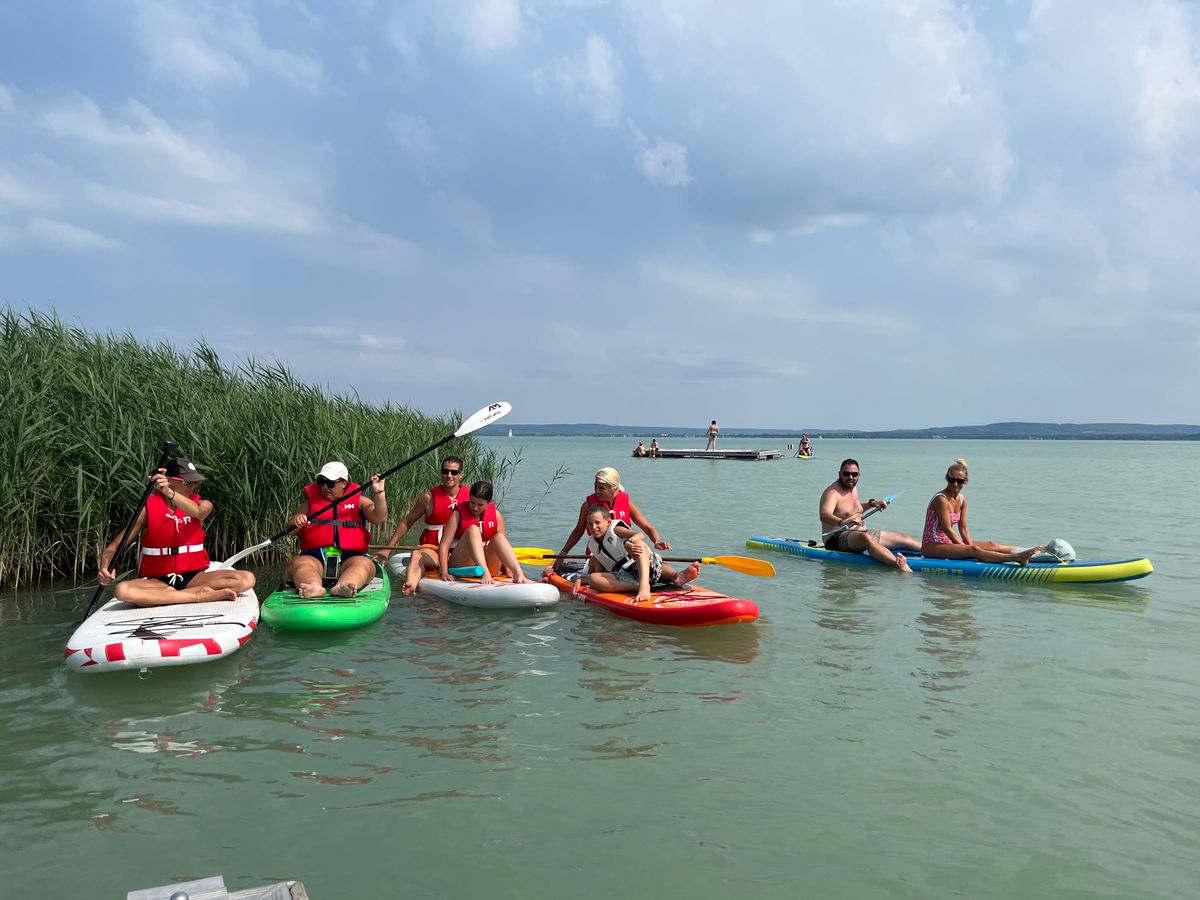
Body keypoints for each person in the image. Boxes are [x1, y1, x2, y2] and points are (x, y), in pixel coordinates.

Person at [97, 458, 256, 606]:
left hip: (194, 578)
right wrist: (105, 567)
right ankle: (198, 596)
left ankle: (171, 596)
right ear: (169, 480)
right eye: (187, 481)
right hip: (156, 581)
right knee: (121, 590)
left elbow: (198, 512)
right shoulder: (146, 510)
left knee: (246, 579)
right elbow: (113, 548)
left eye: (195, 482)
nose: (192, 486)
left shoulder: (203, 503)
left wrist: (169, 493)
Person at [401, 480, 530, 595]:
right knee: (473, 529)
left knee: (499, 537)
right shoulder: (457, 514)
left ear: (488, 503)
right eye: (472, 502)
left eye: (480, 505)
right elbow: (444, 545)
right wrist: (444, 572)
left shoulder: (496, 515)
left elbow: (501, 548)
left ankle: (518, 573)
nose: (475, 507)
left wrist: (507, 571)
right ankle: (484, 571)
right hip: (462, 564)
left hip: (489, 566)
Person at [556, 505, 700, 603]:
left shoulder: (616, 529)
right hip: (626, 578)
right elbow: (600, 574)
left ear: (608, 521)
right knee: (594, 579)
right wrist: (583, 580)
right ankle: (640, 587)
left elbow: (639, 534)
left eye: (597, 523)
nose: (593, 527)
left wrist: (628, 543)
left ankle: (672, 578)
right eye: (589, 524)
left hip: (645, 567)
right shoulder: (592, 545)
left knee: (639, 546)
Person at [286, 461, 388, 598]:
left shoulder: (360, 501)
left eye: (330, 483)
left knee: (364, 564)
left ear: (344, 483)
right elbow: (290, 530)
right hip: (315, 557)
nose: (324, 487)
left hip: (350, 557)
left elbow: (378, 518)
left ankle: (345, 585)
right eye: (321, 482)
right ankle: (313, 586)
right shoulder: (310, 503)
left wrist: (379, 493)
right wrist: (297, 520)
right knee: (300, 563)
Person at [922, 459, 1042, 564]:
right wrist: (966, 549)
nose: (954, 484)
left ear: (965, 481)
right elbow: (947, 529)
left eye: (959, 481)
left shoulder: (962, 500)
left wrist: (967, 546)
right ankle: (1017, 558)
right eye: (951, 480)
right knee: (974, 550)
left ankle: (1038, 552)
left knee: (992, 545)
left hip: (948, 542)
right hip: (932, 545)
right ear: (947, 478)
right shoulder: (941, 499)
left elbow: (963, 529)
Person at [818, 458, 919, 573]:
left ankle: (935, 552)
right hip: (836, 539)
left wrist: (872, 504)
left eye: (854, 474)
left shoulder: (853, 489)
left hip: (859, 534)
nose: (850, 477)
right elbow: (824, 515)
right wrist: (843, 522)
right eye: (846, 474)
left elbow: (856, 509)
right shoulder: (832, 493)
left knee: (903, 538)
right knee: (865, 538)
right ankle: (900, 566)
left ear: (858, 475)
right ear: (840, 474)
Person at [556, 466, 670, 561]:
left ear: (613, 487)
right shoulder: (588, 506)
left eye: (601, 488)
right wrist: (563, 553)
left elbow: (647, 527)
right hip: (598, 555)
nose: (597, 491)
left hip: (623, 552)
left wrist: (657, 541)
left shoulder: (627, 503)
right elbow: (578, 530)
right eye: (595, 486)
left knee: (653, 560)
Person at [373, 456, 470, 564]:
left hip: (459, 551)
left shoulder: (471, 498)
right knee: (417, 556)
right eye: (445, 471)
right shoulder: (427, 498)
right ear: (440, 472)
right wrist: (388, 549)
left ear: (461, 475)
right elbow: (407, 522)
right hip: (432, 550)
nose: (449, 475)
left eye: (454, 472)